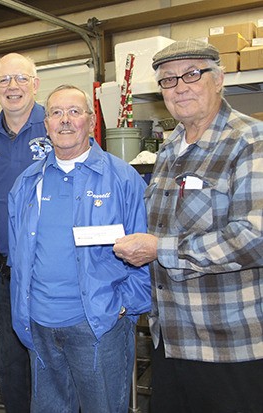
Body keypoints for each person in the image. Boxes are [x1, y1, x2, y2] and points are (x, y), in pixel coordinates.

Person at [113, 39, 263, 413]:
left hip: (229, 345)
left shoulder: (250, 141)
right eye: (168, 80)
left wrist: (158, 248)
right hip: (171, 339)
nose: (180, 87)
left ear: (219, 79)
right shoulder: (169, 148)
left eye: (192, 74)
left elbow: (254, 237)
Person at [8, 85, 151, 413]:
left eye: (75, 111)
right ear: (46, 125)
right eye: (56, 113)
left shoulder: (122, 179)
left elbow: (143, 249)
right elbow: (19, 253)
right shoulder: (28, 182)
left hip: (98, 326)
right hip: (40, 326)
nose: (65, 120)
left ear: (90, 121)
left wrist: (125, 308)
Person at [0, 53, 52, 412]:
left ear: (35, 84)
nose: (13, 87)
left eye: (21, 78)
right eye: (4, 80)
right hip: (5, 272)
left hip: (51, 270)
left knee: (52, 355)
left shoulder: (56, 125)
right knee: (10, 358)